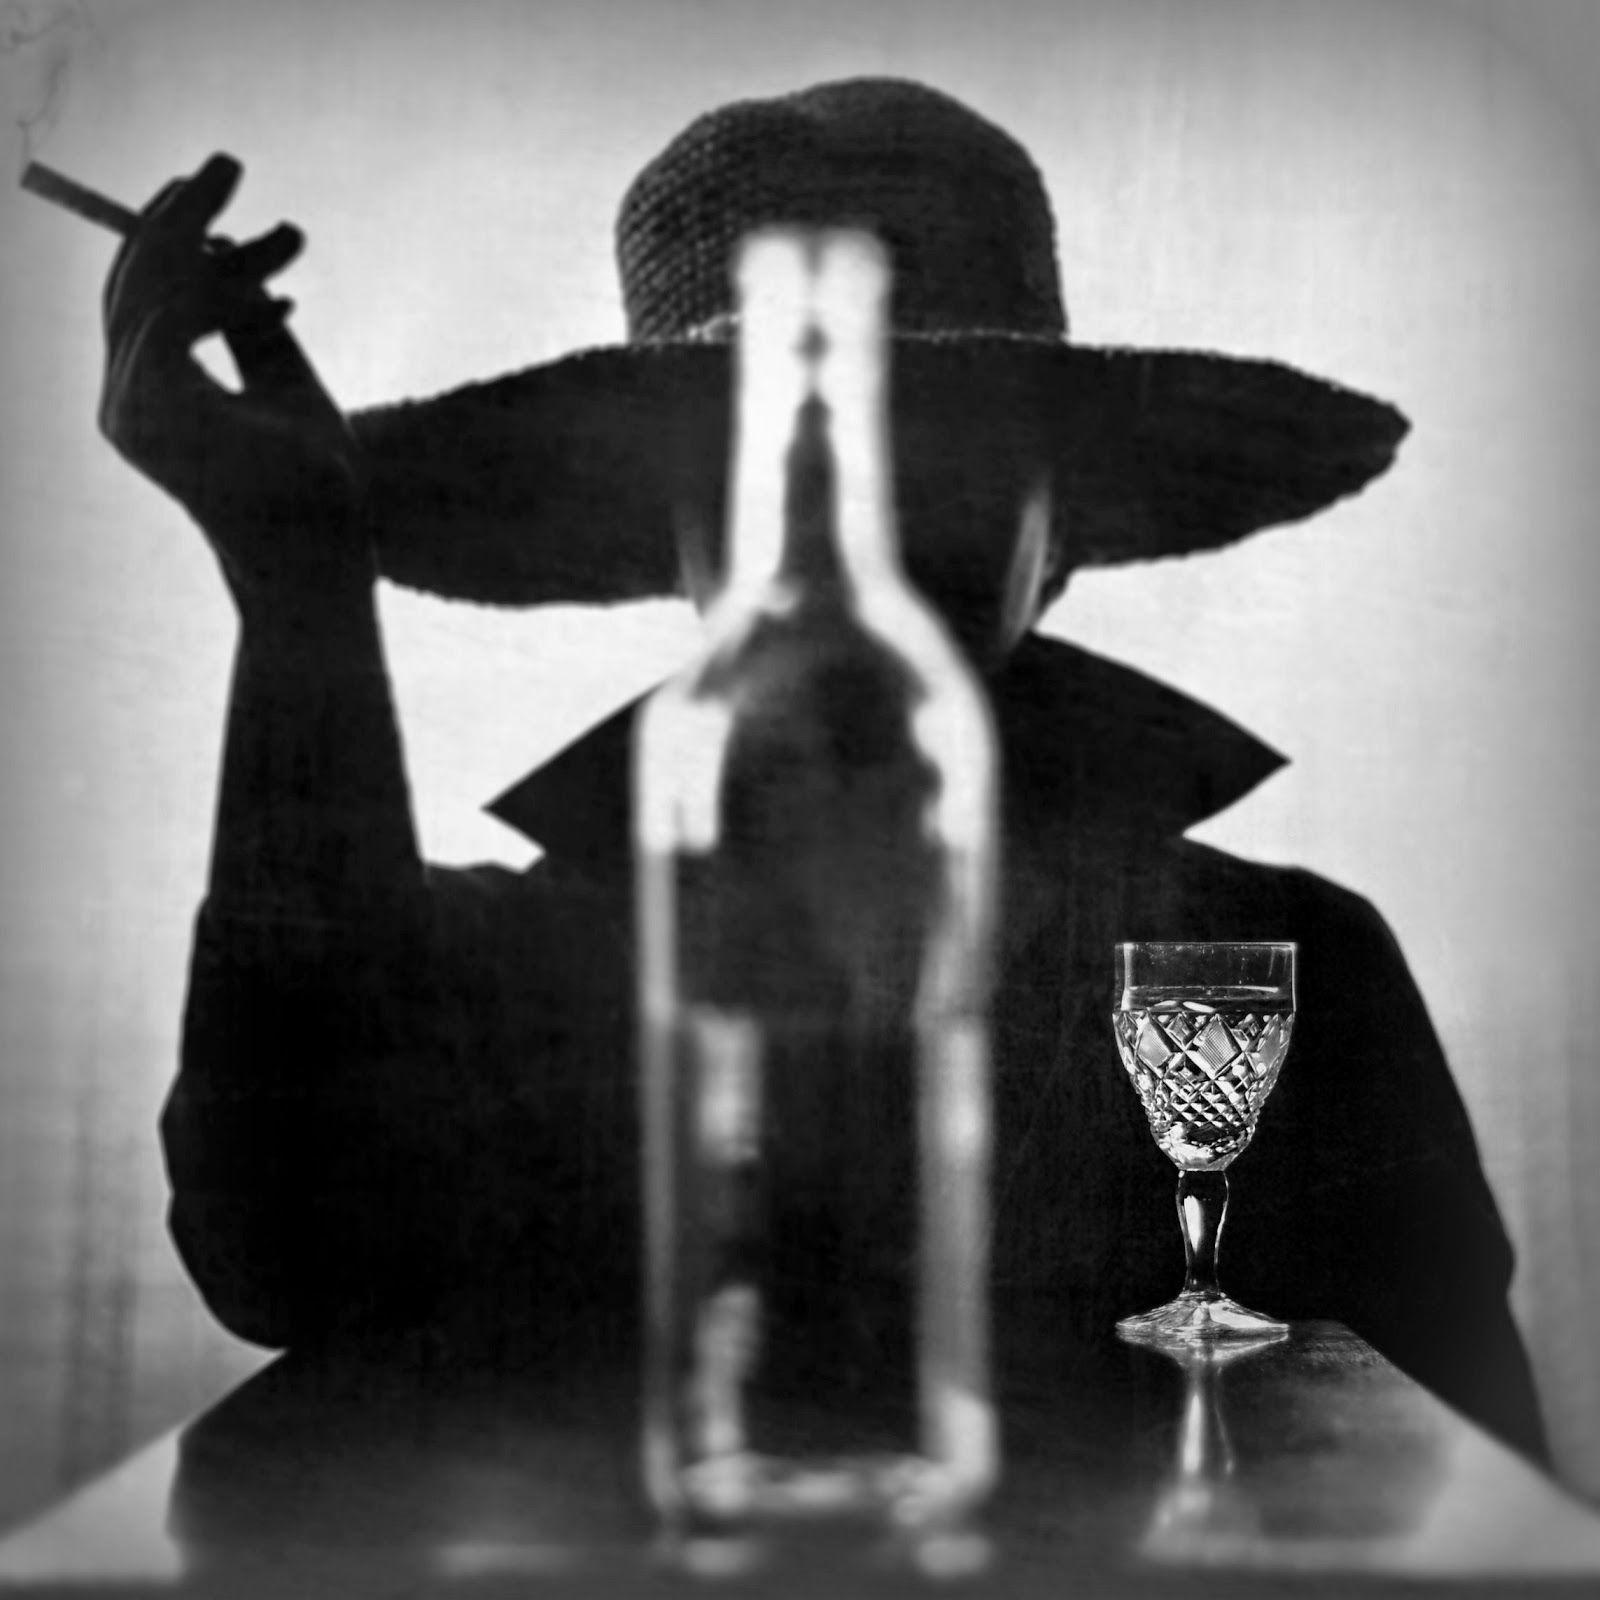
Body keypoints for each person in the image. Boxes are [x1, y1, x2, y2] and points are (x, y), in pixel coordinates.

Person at [100, 78, 1548, 1463]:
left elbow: (1466, 1489)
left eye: (944, 450)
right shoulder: (503, 980)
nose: (859, 515)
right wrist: (298, 596)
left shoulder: (1287, 977)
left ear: (1063, 529)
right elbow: (279, 1253)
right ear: (673, 533)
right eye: (779, 456)